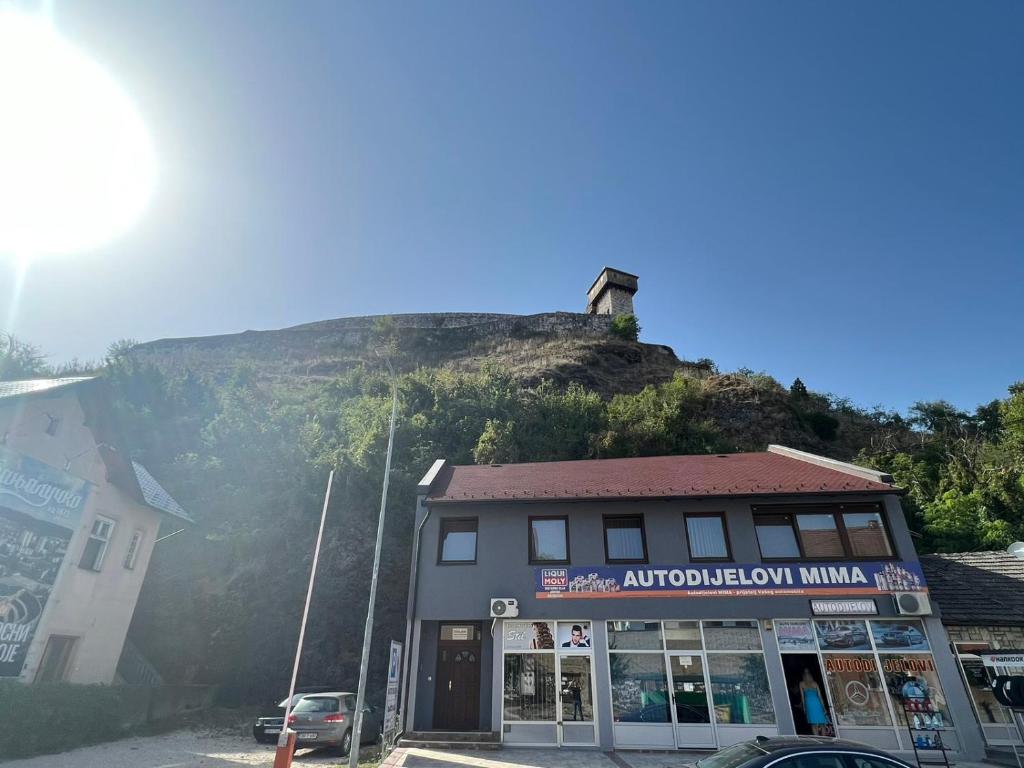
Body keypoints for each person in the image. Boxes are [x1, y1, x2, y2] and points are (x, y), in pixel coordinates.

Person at [800, 669, 830, 737]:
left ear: (803, 676)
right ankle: (824, 739)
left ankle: (817, 739)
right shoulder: (815, 683)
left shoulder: (801, 683)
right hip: (817, 703)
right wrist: (823, 707)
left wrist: (804, 707)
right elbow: (820, 696)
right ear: (811, 675)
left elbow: (802, 697)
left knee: (813, 724)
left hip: (809, 704)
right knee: (822, 723)